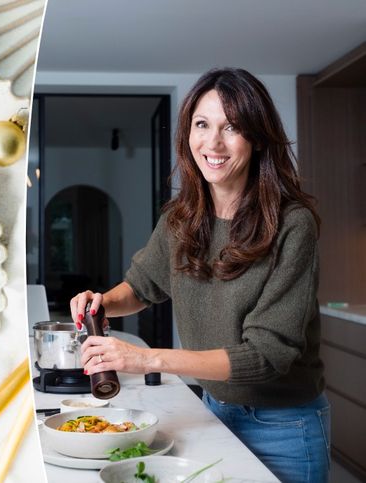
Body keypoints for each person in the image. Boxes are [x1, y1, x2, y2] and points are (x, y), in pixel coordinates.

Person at [70, 68, 330, 482]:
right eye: (202, 124)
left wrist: (146, 358)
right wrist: (103, 301)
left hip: (283, 425)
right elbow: (141, 287)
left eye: (232, 127)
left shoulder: (292, 224)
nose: (213, 142)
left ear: (258, 137)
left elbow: (266, 356)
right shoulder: (181, 218)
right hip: (212, 410)